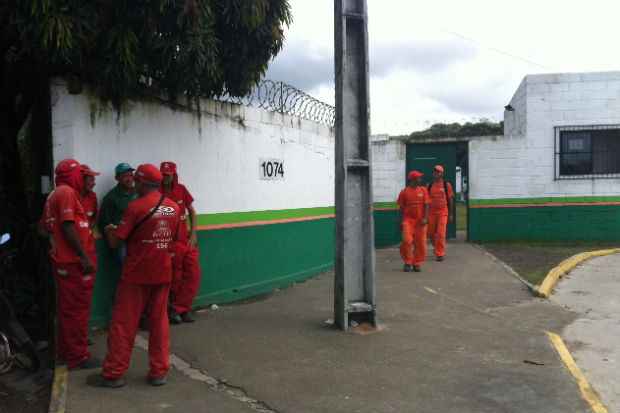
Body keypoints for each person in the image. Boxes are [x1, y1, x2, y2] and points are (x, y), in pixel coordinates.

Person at [91, 164, 180, 388]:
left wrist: (111, 229)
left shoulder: (135, 207)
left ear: (141, 183)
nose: (134, 184)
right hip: (163, 272)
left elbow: (115, 241)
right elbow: (174, 238)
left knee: (124, 323)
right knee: (159, 323)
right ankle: (159, 372)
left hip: (136, 275)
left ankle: (114, 373)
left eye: (136, 181)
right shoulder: (172, 207)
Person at [39, 159, 99, 370]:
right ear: (74, 175)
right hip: (74, 264)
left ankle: (66, 353)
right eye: (83, 175)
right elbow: (67, 225)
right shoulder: (65, 193)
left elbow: (45, 228)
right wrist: (83, 256)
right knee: (76, 311)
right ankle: (78, 356)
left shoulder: (56, 194)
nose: (89, 180)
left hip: (67, 262)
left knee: (68, 310)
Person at [160, 161, 201, 324]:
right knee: (174, 278)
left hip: (186, 241)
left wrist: (193, 234)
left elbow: (192, 211)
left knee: (193, 275)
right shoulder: (157, 192)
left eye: (168, 175)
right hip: (170, 243)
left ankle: (182, 308)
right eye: (163, 174)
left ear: (174, 175)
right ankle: (174, 310)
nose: (165, 177)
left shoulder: (181, 189)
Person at [397, 170, 430, 272]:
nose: (420, 179)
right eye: (418, 178)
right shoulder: (404, 192)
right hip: (408, 221)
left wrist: (425, 218)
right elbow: (401, 209)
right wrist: (400, 222)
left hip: (420, 222)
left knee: (420, 243)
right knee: (407, 241)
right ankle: (408, 261)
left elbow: (427, 205)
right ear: (412, 179)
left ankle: (416, 263)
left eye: (420, 178)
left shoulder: (423, 190)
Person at [427, 165, 454, 262]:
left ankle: (440, 253)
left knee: (441, 233)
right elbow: (426, 201)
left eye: (438, 172)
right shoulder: (429, 186)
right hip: (431, 213)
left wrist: (451, 214)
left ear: (442, 174)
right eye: (435, 172)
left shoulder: (447, 185)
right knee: (431, 233)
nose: (436, 173)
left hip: (443, 212)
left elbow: (450, 200)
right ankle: (436, 247)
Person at [80, 165, 100, 229]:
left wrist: (92, 224)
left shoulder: (93, 196)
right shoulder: (72, 196)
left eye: (94, 180)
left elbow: (95, 216)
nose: (94, 183)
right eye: (91, 180)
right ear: (81, 180)